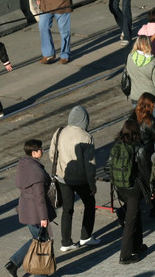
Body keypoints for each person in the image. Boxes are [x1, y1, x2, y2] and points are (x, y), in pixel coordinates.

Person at [50, 105, 99, 252]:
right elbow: (90, 165)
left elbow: (52, 155)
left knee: (67, 209)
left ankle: (66, 242)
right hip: (81, 180)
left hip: (63, 178)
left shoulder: (59, 132)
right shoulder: (86, 137)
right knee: (90, 204)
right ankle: (86, 236)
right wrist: (92, 185)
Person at [5, 139, 57, 277]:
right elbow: (39, 198)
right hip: (36, 213)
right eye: (40, 149)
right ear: (34, 153)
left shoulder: (24, 164)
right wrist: (43, 217)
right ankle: (40, 273)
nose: (42, 151)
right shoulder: (36, 174)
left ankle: (14, 263)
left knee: (38, 238)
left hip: (26, 208)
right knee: (42, 242)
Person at [112, 119, 150, 265]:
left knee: (135, 214)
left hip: (121, 188)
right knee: (130, 221)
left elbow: (109, 166)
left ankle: (138, 244)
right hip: (134, 189)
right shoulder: (140, 148)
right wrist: (150, 190)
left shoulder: (117, 145)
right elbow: (146, 172)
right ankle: (125, 255)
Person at [125, 36, 155, 114]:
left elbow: (128, 73)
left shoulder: (130, 57)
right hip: (151, 97)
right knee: (153, 121)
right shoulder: (152, 62)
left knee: (138, 120)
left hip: (135, 96)